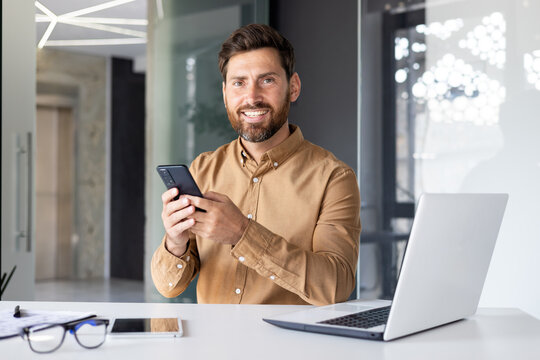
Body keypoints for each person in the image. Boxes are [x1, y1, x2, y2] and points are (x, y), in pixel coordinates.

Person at [151, 24, 361, 305]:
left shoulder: (334, 178)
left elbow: (335, 286)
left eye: (267, 80)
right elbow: (168, 287)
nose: (252, 97)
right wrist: (175, 242)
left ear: (294, 87)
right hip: (212, 347)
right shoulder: (202, 169)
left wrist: (242, 233)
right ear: (225, 93)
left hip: (292, 348)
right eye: (239, 83)